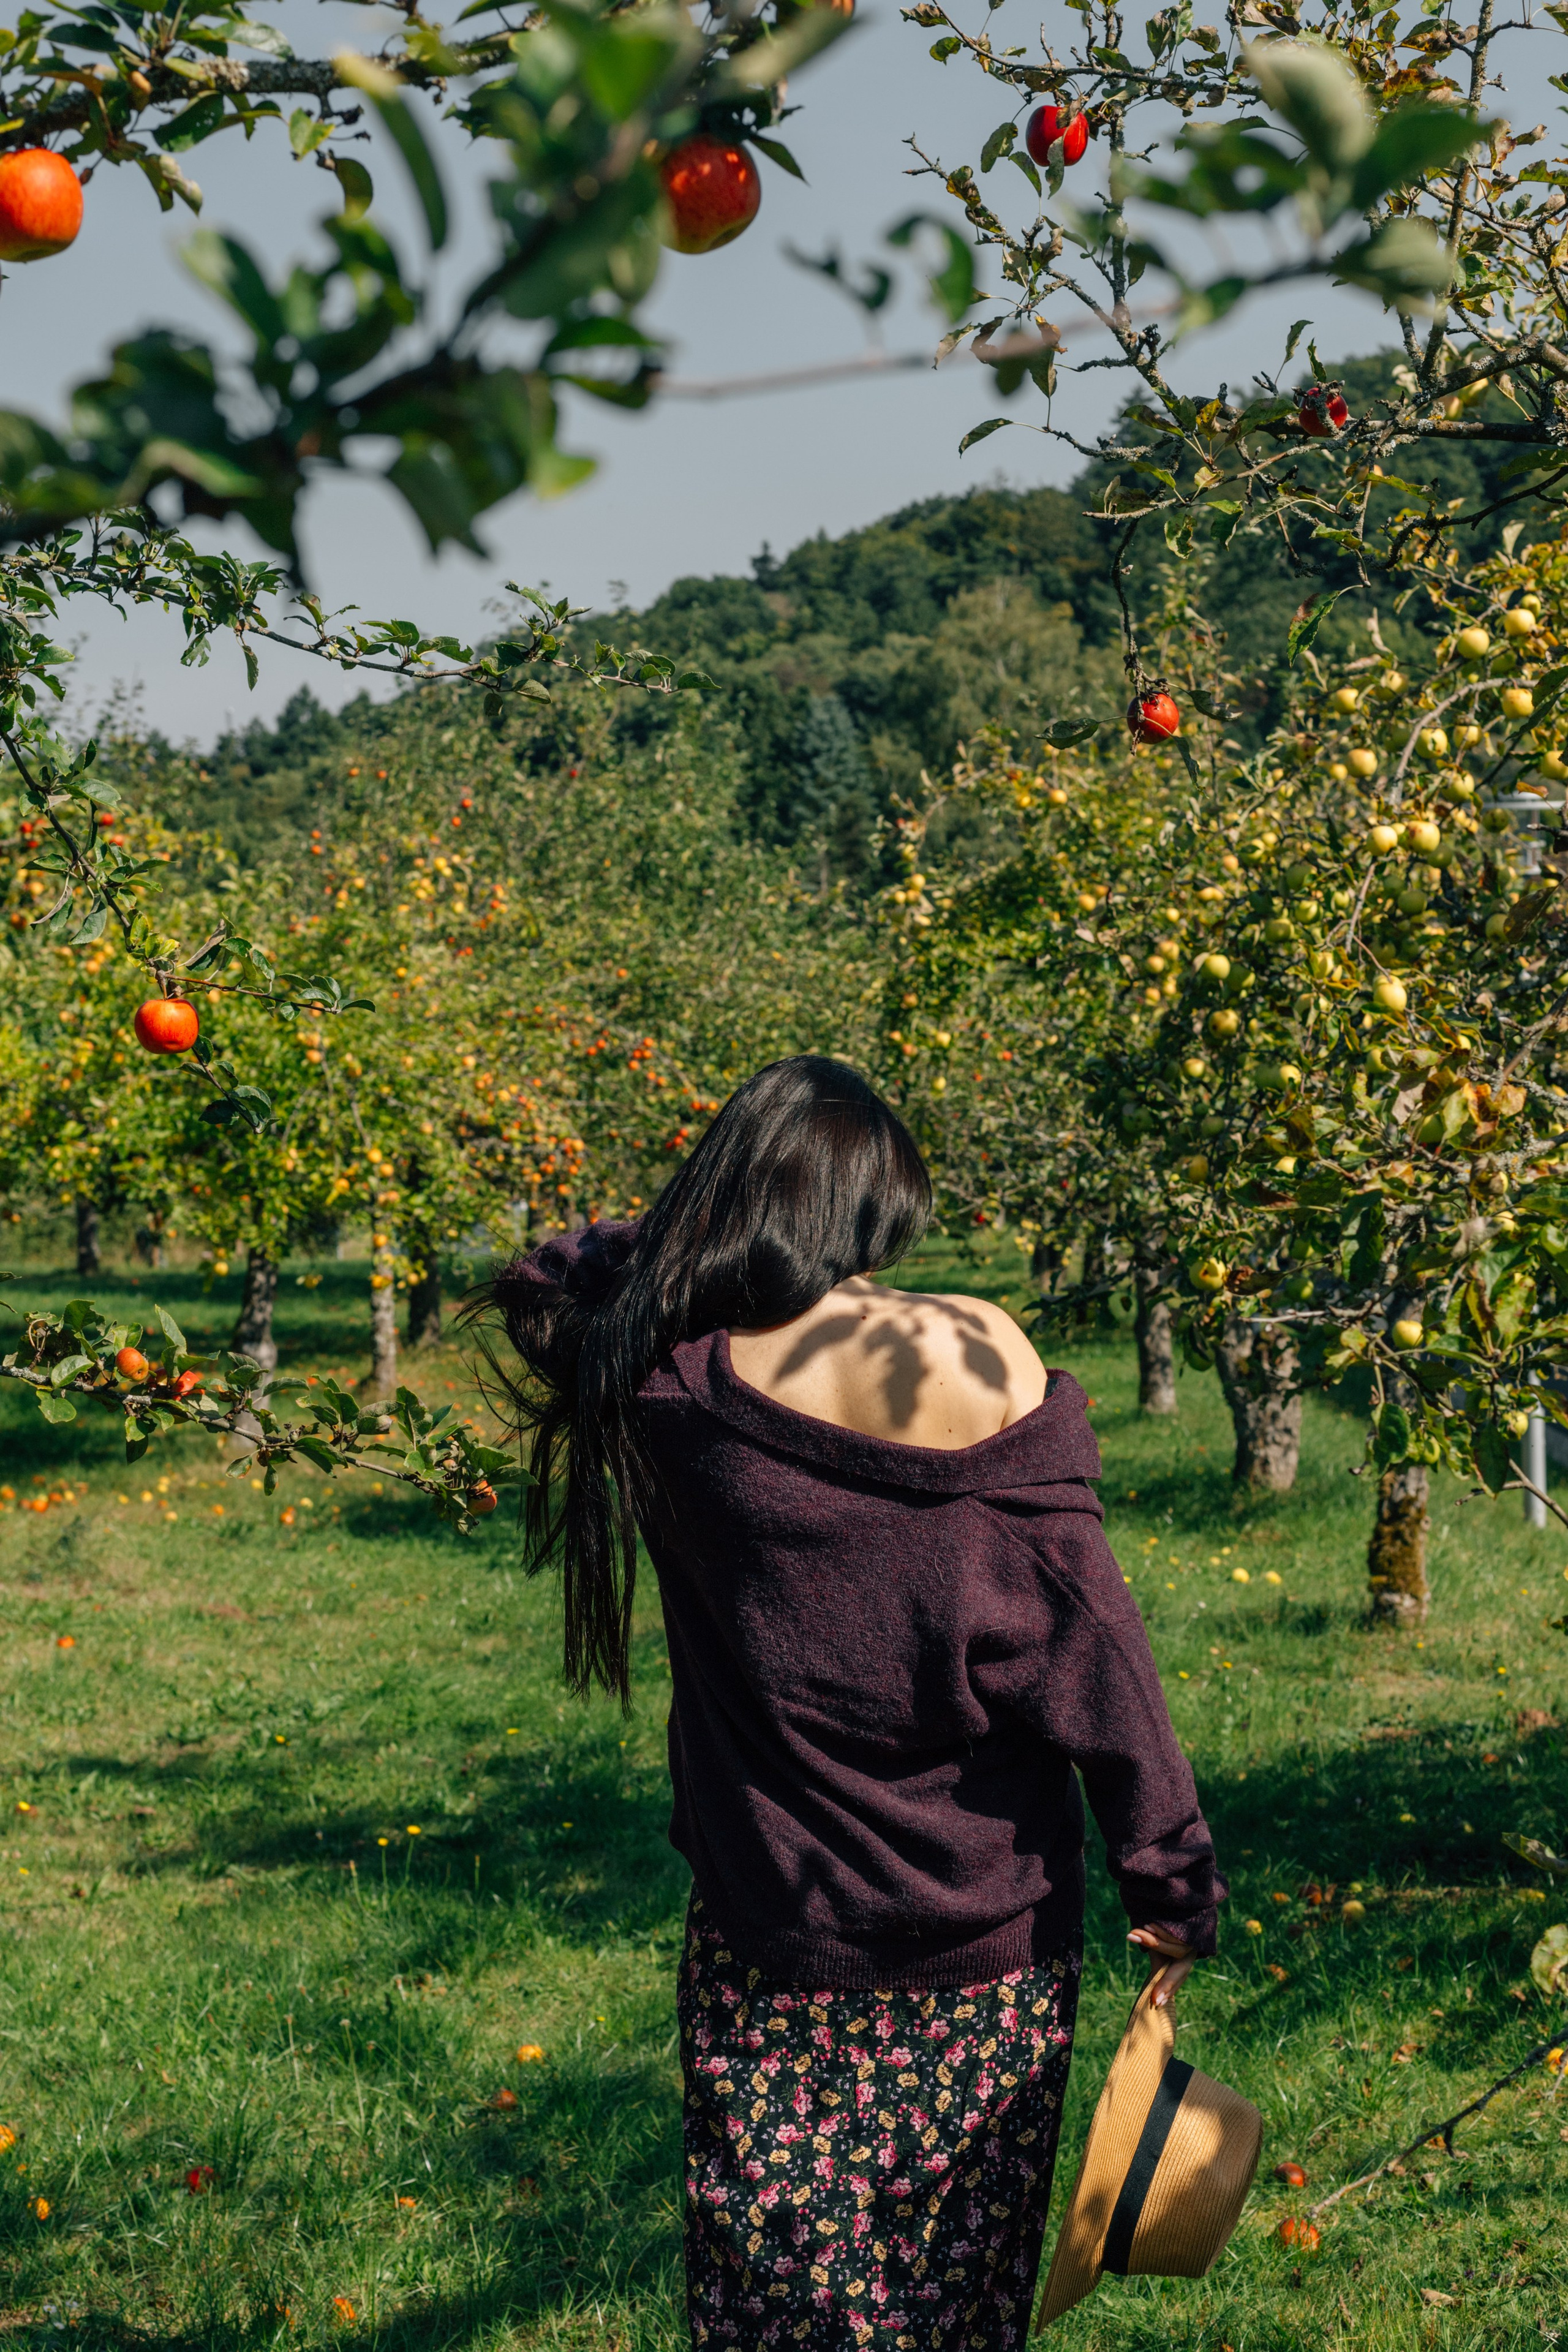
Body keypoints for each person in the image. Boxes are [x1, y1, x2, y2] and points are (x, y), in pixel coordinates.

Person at [478, 1055, 1225, 2351]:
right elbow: (1097, 1655)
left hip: (771, 1940)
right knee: (956, 2298)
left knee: (774, 2302)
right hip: (987, 1944)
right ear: (875, 1216)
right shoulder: (977, 1350)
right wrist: (1168, 1879)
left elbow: (547, 1271)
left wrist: (691, 1237)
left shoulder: (669, 1389)